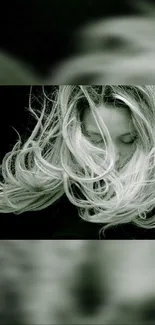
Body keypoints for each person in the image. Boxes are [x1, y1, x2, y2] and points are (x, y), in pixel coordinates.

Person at [0, 85, 155, 236]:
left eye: (128, 140)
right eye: (95, 140)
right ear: (74, 132)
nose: (111, 157)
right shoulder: (39, 204)